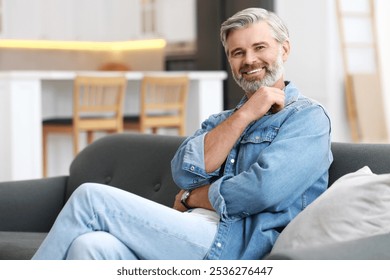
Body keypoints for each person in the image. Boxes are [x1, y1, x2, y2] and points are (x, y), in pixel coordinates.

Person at [32, 7, 332, 260]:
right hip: (191, 230)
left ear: (285, 49)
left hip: (236, 245)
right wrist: (246, 113)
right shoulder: (224, 120)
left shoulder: (307, 117)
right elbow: (184, 173)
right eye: (237, 53)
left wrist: (194, 198)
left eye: (259, 47)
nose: (249, 60)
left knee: (90, 198)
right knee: (91, 246)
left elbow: (262, 191)